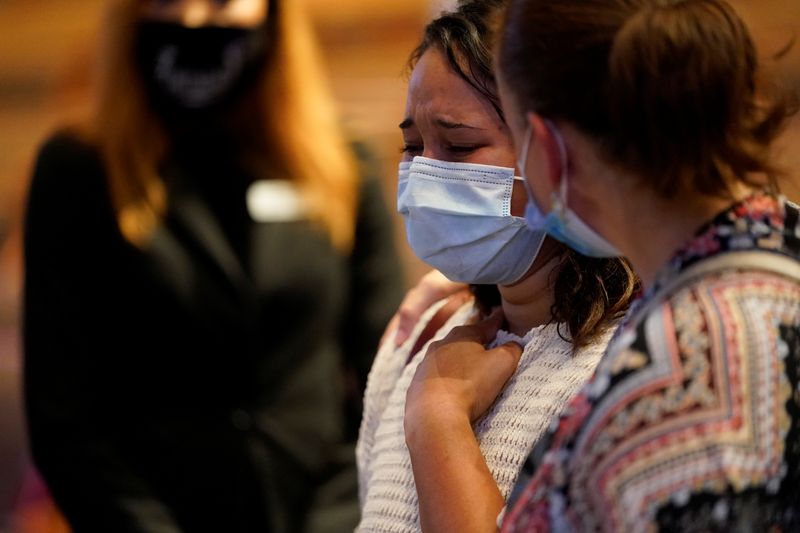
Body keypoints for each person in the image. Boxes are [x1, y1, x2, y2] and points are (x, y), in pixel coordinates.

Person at [409, 0, 800, 530]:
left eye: (462, 145)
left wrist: (438, 422)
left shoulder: (692, 355)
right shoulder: (762, 262)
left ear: (547, 149)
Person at [21, 0, 404, 531]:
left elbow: (382, 378)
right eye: (168, 1)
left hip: (326, 512)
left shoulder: (343, 162)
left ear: (271, 16)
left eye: (223, 1)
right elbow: (64, 419)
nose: (194, 20)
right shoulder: (79, 171)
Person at [356, 2, 639, 531]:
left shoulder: (633, 365)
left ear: (559, 152)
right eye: (412, 146)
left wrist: (437, 419)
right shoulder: (421, 335)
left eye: (459, 146)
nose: (423, 176)